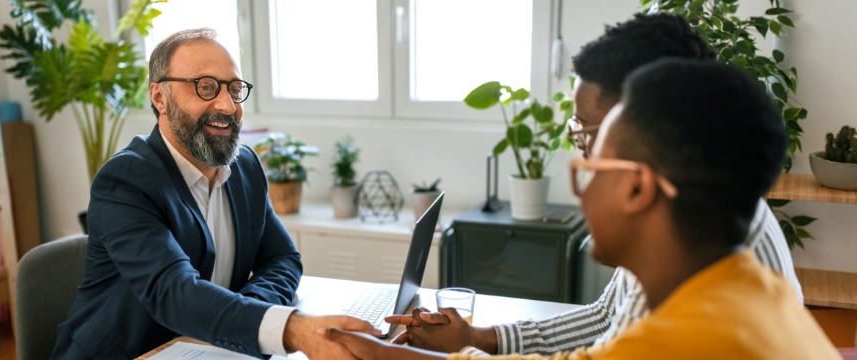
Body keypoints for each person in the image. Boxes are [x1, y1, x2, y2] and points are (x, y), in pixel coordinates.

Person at [325, 58, 839, 359]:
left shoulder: (676, 342)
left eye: (590, 165)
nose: (580, 188)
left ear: (638, 189)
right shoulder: (754, 288)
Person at [52, 28, 377, 359]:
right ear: (159, 97)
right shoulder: (126, 180)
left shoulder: (245, 166)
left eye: (235, 89)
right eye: (205, 87)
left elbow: (282, 259)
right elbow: (174, 294)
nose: (227, 105)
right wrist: (291, 329)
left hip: (209, 351)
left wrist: (250, 318)